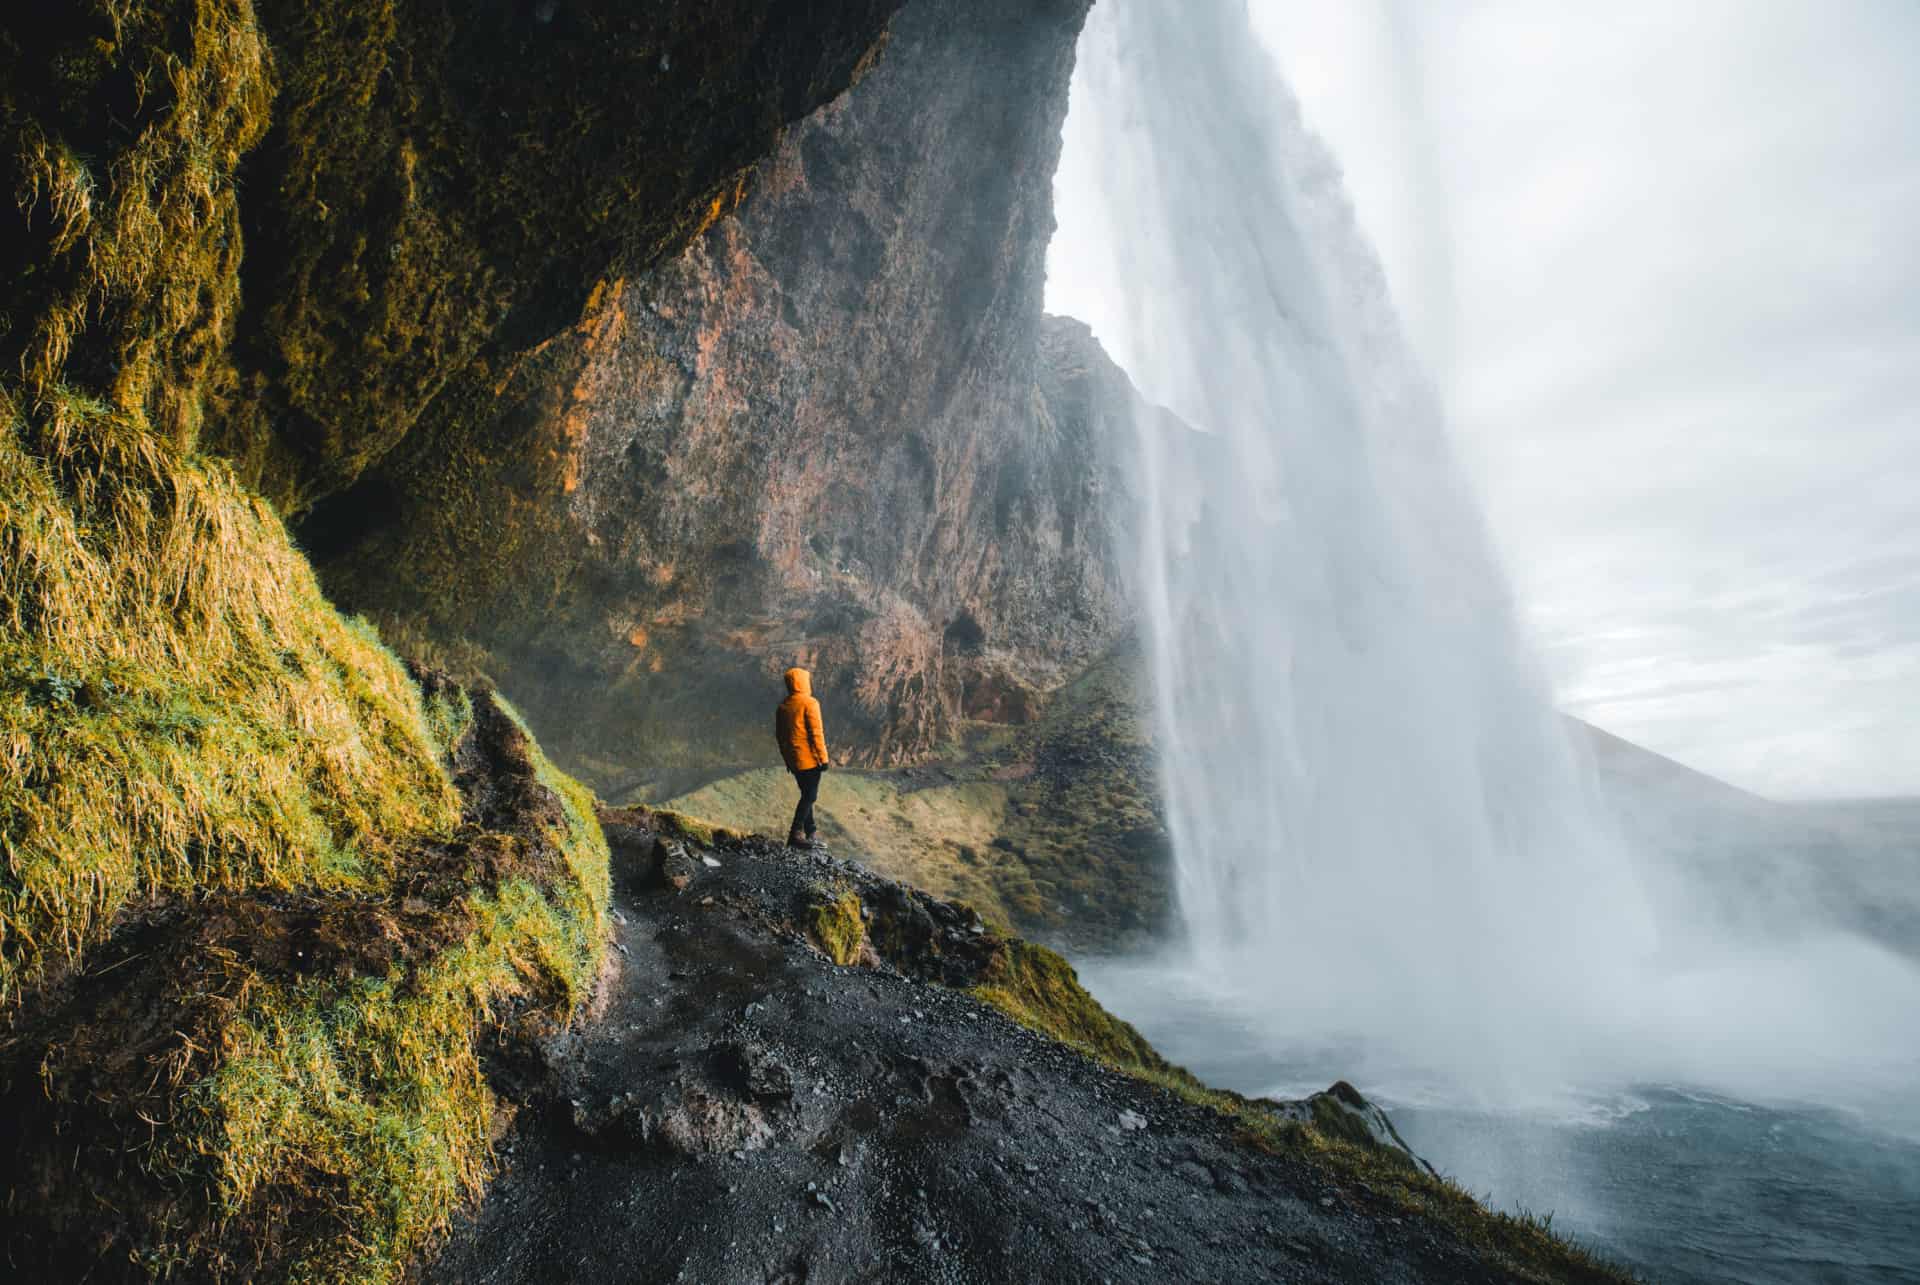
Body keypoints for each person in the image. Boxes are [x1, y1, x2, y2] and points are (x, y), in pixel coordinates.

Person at [774, 667, 830, 848]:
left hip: (794, 761)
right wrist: (823, 758)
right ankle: (795, 834)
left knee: (806, 794)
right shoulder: (810, 703)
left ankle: (811, 833)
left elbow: (780, 737)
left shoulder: (783, 707)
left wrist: (787, 760)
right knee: (810, 795)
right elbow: (816, 734)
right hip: (809, 760)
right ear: (804, 682)